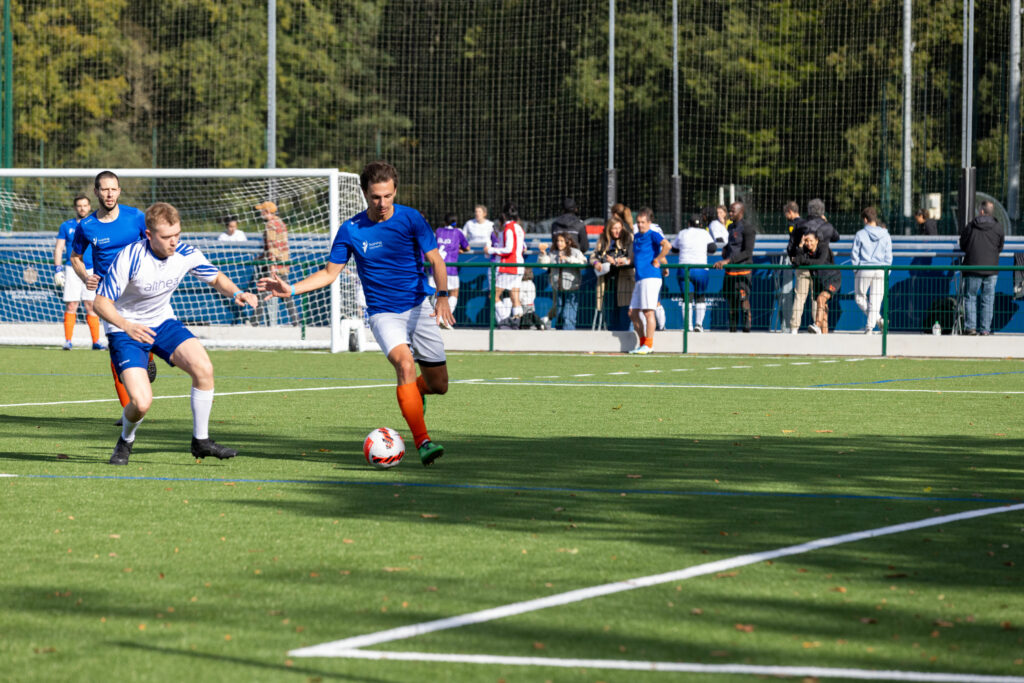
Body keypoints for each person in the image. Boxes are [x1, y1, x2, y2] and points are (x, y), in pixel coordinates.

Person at [260, 161, 455, 466]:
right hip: (382, 313)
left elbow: (436, 261)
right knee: (404, 364)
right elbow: (328, 273)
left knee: (438, 385)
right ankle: (423, 442)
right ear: (365, 193)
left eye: (388, 196)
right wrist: (293, 289)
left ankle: (416, 394)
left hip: (419, 306)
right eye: (376, 197)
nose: (382, 204)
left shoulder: (412, 219)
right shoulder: (351, 230)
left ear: (395, 192)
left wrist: (442, 296)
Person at [93, 202, 258, 465]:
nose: (174, 242)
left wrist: (238, 292)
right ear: (149, 235)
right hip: (126, 329)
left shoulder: (185, 252)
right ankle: (125, 440)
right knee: (142, 402)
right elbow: (100, 303)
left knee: (203, 368)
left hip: (162, 322)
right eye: (167, 237)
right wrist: (127, 326)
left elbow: (215, 278)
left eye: (177, 235)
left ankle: (201, 441)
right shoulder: (130, 256)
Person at [69, 171, 156, 422]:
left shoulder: (136, 217)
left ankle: (149, 357)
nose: (109, 194)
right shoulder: (86, 226)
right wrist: (86, 277)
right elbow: (75, 257)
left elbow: (153, 244)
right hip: (108, 296)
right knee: (116, 350)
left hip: (139, 290)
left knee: (146, 336)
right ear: (96, 192)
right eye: (104, 189)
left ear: (119, 191)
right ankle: (129, 408)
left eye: (113, 189)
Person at [54, 195, 105, 350]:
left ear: (89, 207)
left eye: (85, 205)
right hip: (72, 268)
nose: (82, 208)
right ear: (75, 207)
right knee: (72, 305)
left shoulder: (95, 225)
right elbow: (59, 248)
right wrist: (58, 269)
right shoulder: (66, 226)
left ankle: (96, 341)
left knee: (91, 305)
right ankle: (68, 341)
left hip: (91, 269)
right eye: (79, 205)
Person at [628, 207, 671, 354]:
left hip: (650, 277)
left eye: (643, 222)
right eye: (638, 222)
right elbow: (633, 258)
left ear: (649, 222)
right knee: (632, 313)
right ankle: (643, 344)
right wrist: (624, 261)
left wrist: (659, 260)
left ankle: (649, 345)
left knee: (648, 312)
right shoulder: (637, 237)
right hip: (640, 278)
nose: (640, 225)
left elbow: (667, 246)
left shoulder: (653, 234)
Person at [959, 200, 1005, 336]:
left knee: (970, 297)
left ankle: (971, 328)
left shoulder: (971, 226)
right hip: (991, 268)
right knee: (988, 299)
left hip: (973, 267)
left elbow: (963, 244)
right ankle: (985, 329)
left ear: (981, 211)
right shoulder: (998, 227)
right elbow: (1000, 247)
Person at [255, 200, 300, 327]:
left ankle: (254, 322)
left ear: (267, 212)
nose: (260, 214)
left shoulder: (270, 225)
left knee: (263, 292)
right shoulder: (281, 222)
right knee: (285, 293)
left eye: (262, 211)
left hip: (275, 265)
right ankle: (296, 321)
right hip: (284, 264)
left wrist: (272, 267)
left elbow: (272, 247)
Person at [713, 201, 756, 332]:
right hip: (730, 272)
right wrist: (725, 249)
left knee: (744, 301)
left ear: (740, 212)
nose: (730, 214)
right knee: (731, 302)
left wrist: (728, 260)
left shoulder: (748, 228)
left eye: (732, 211)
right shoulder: (731, 227)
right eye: (729, 211)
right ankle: (732, 330)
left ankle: (746, 329)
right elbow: (731, 244)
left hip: (743, 271)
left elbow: (747, 252)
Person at [671, 213, 716, 332]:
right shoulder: (704, 233)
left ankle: (687, 326)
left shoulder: (682, 233)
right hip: (701, 268)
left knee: (687, 298)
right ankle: (699, 325)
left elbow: (674, 248)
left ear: (688, 224)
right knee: (700, 297)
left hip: (684, 268)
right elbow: (713, 248)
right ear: (701, 225)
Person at [851, 206, 892, 334]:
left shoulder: (860, 234)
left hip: (864, 268)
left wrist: (856, 269)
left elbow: (855, 254)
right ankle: (873, 324)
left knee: (859, 297)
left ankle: (875, 322)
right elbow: (888, 255)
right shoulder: (885, 234)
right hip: (881, 269)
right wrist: (887, 271)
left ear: (865, 219)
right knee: (875, 299)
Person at [485, 202, 526, 327]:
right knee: (515, 297)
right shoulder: (519, 227)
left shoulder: (509, 228)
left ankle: (505, 320)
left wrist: (491, 250)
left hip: (509, 266)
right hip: (519, 265)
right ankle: (516, 322)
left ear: (504, 214)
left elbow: (509, 249)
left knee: (493, 295)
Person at [792, 231, 840, 334]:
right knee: (824, 310)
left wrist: (803, 261)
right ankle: (824, 338)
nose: (809, 243)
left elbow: (819, 262)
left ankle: (816, 326)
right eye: (806, 241)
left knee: (821, 298)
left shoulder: (823, 248)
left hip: (832, 279)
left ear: (817, 240)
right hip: (819, 281)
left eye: (811, 241)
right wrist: (800, 246)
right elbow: (796, 262)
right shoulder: (804, 249)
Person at [591, 216, 634, 330]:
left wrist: (615, 261)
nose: (617, 231)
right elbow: (593, 256)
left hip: (626, 283)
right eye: (614, 228)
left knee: (626, 313)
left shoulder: (629, 238)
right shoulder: (603, 240)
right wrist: (596, 263)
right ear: (609, 229)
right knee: (609, 314)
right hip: (607, 283)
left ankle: (628, 337)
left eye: (619, 228)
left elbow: (631, 259)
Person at [537, 233, 586, 330]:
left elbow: (583, 263)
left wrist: (568, 259)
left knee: (569, 315)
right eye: (558, 241)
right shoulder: (553, 253)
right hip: (558, 288)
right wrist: (543, 254)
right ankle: (559, 336)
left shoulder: (575, 252)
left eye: (562, 241)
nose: (559, 243)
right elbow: (544, 265)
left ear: (568, 242)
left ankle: (568, 338)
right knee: (559, 312)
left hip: (571, 288)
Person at [431, 213, 470, 324]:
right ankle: (444, 318)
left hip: (436, 268)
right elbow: (467, 247)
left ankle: (437, 318)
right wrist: (460, 249)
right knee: (454, 293)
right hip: (451, 268)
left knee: (436, 293)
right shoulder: (458, 232)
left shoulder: (438, 231)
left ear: (444, 222)